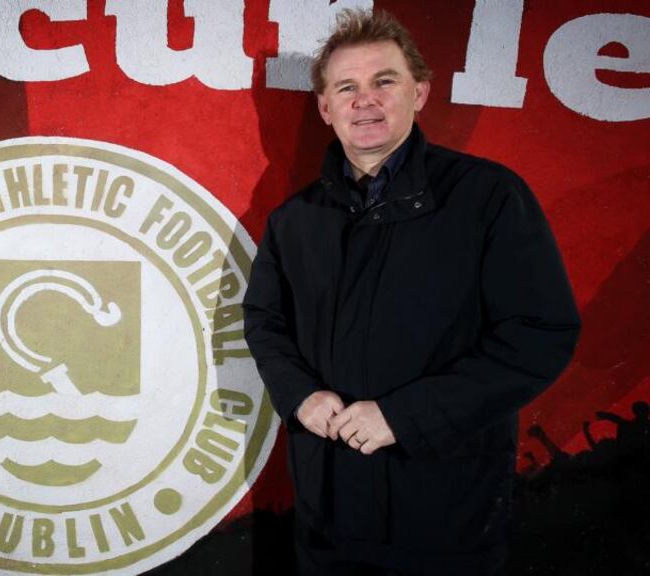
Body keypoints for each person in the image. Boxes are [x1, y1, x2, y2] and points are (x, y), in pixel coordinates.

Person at [242, 9, 580, 575]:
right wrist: (300, 394)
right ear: (325, 107)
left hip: (446, 516)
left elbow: (539, 335)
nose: (364, 99)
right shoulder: (293, 220)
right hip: (327, 515)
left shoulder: (489, 198)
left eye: (384, 81)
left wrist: (404, 417)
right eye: (346, 86)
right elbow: (264, 320)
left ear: (419, 92)